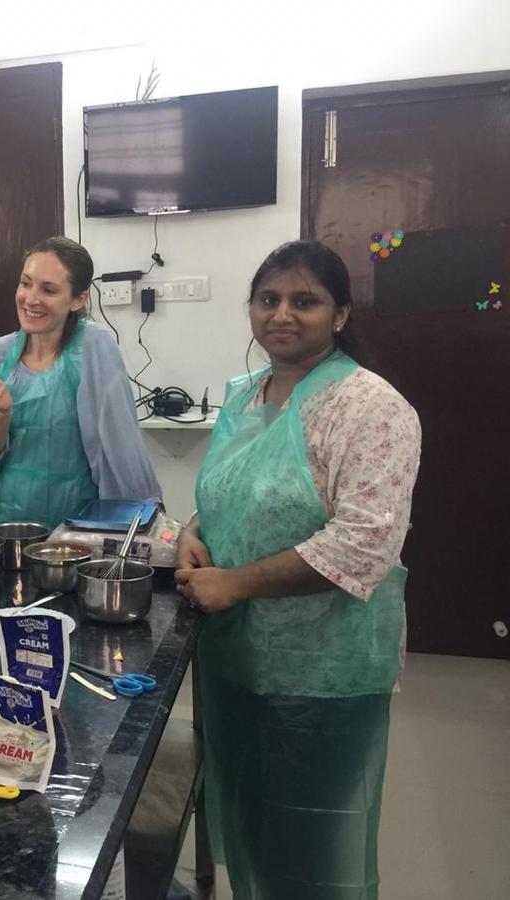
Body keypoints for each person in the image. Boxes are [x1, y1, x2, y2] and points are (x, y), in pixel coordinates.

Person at [175, 241, 421, 899]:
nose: (282, 313)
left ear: (339, 313)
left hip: (322, 672)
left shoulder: (369, 407)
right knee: (255, 834)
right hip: (238, 660)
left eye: (303, 300)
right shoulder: (244, 397)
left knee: (316, 856)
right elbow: (226, 495)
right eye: (268, 299)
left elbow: (362, 544)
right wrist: (191, 540)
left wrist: (236, 582)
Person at [0, 236, 161, 528]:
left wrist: (134, 524)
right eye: (25, 283)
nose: (30, 299)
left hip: (79, 530)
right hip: (11, 527)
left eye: (49, 290)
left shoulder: (94, 349)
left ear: (79, 300)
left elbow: (121, 451)